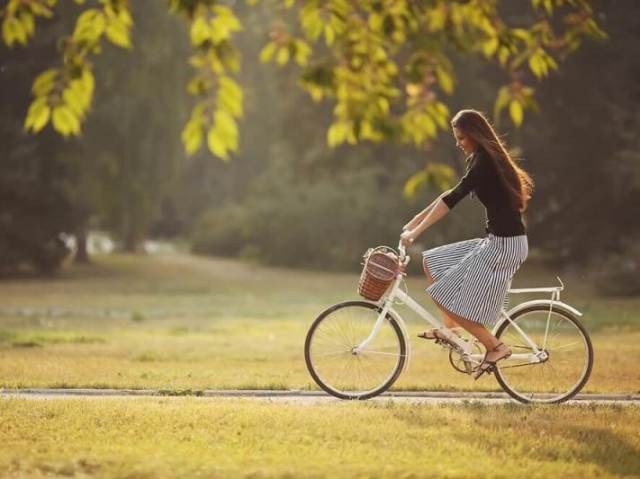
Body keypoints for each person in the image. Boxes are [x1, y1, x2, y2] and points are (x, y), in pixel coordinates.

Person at [399, 109, 534, 379]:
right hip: (497, 241)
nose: (459, 143)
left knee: (442, 294)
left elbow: (453, 198)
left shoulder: (485, 162)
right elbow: (449, 193)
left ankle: (494, 347)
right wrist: (416, 219)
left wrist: (416, 232)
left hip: (505, 247)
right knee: (431, 261)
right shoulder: (481, 159)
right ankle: (451, 330)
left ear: (473, 135)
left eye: (461, 137)